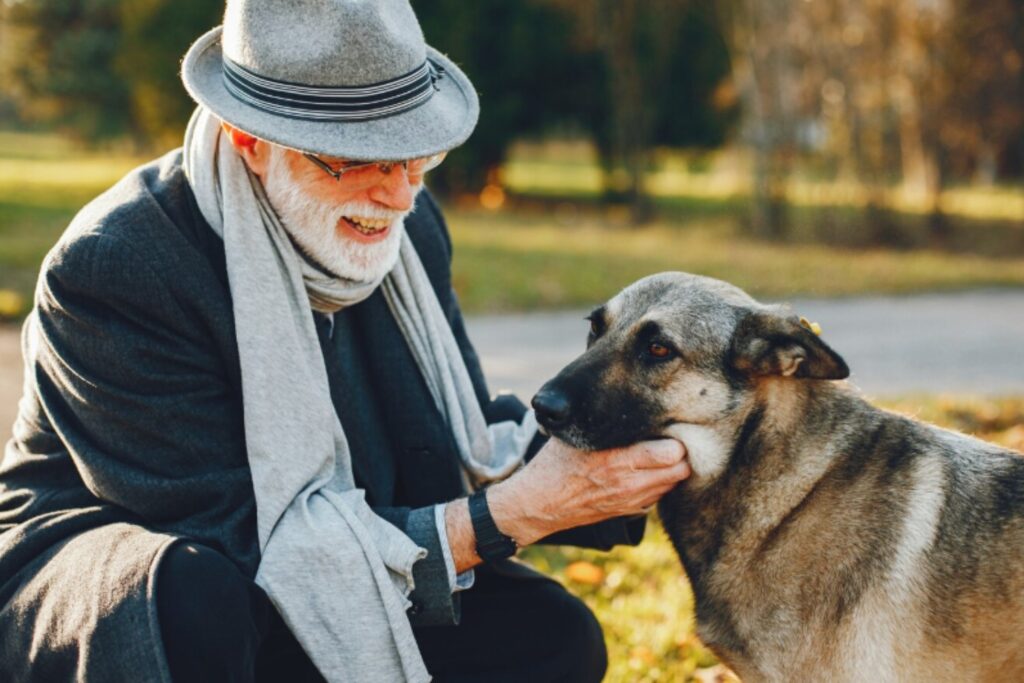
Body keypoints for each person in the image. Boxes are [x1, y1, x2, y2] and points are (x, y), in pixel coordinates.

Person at [0, 1, 691, 681]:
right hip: (143, 584)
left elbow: (455, 443)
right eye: (360, 159)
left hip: (337, 549)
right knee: (191, 597)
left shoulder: (410, 230)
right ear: (251, 140)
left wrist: (632, 443)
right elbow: (242, 544)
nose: (397, 194)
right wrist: (516, 510)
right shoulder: (119, 264)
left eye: (416, 154)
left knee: (552, 637)